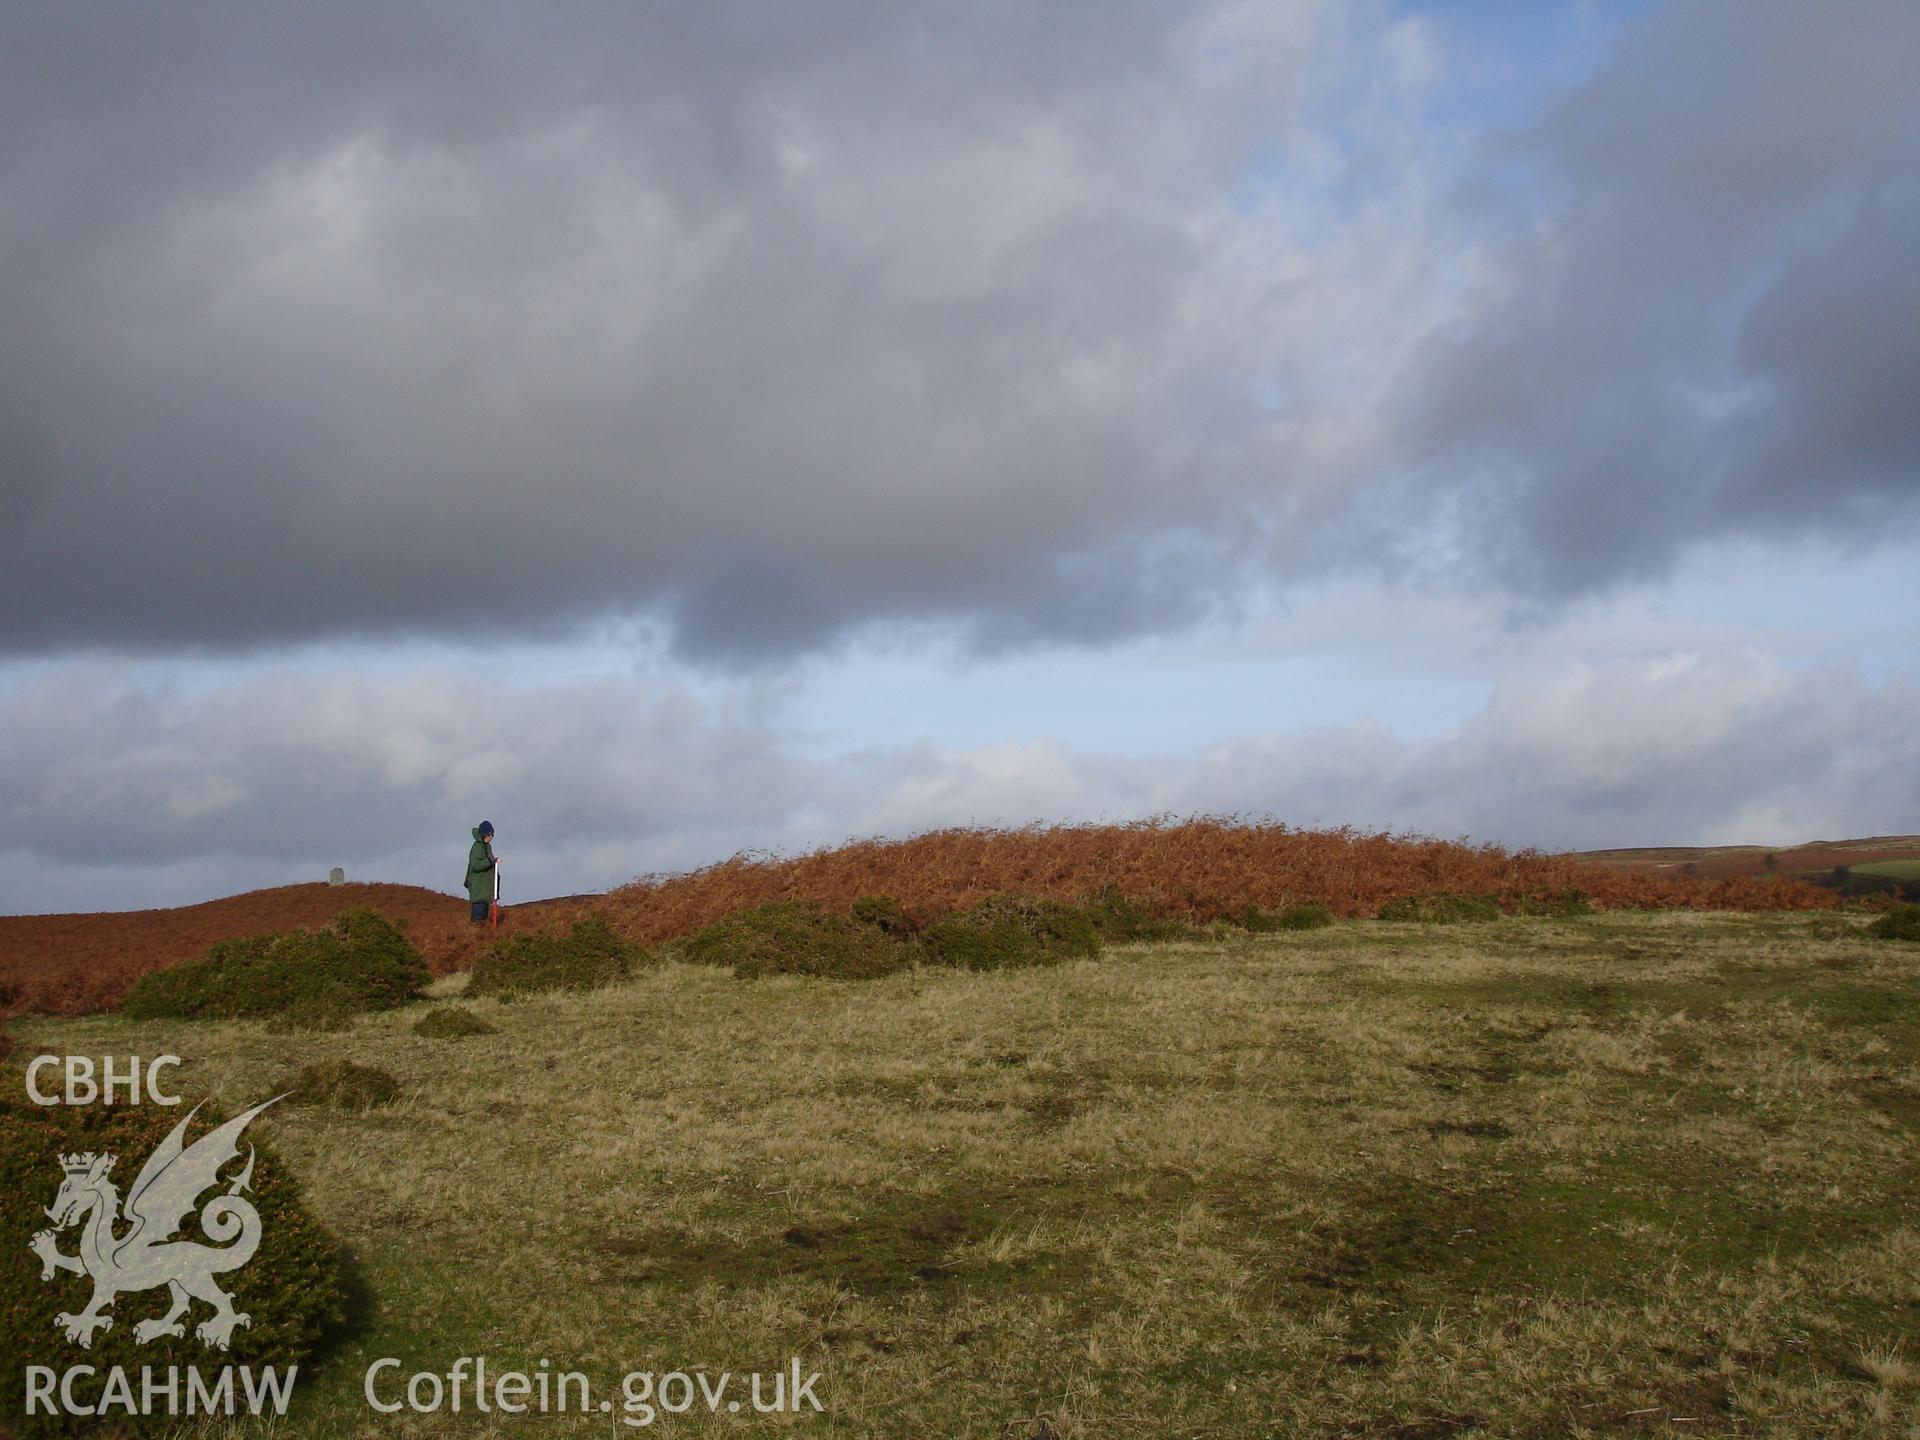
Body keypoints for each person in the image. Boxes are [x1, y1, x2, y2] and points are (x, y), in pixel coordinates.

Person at [465, 821, 497, 923]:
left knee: (483, 918)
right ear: (484, 835)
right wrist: (491, 861)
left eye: (492, 834)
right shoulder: (478, 847)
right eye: (490, 834)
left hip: (484, 888)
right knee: (477, 920)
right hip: (479, 887)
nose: (491, 837)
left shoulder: (486, 846)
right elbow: (475, 865)